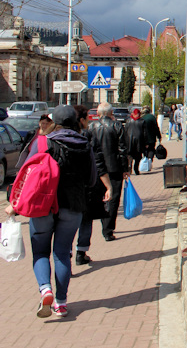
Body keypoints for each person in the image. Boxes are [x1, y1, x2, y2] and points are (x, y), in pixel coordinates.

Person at [4, 105, 95, 318]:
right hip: (73, 206)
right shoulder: (85, 144)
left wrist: (15, 202)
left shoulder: (43, 142)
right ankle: (61, 303)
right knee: (62, 253)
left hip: (42, 205)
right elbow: (91, 179)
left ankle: (45, 289)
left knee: (41, 252)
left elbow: (25, 173)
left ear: (55, 121)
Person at [74, 105, 111, 266]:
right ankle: (81, 252)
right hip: (87, 187)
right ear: (81, 120)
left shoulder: (55, 137)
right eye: (87, 117)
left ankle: (65, 255)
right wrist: (108, 185)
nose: (89, 120)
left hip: (65, 189)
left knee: (66, 223)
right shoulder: (87, 137)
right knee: (85, 220)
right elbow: (98, 161)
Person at [88, 102, 128, 244]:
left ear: (98, 114)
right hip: (114, 168)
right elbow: (122, 149)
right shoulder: (116, 126)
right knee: (113, 199)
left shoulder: (91, 127)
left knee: (100, 197)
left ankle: (104, 225)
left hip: (97, 169)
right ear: (111, 113)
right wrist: (125, 169)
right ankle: (108, 229)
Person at [124, 108, 145, 175]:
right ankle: (136, 169)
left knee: (129, 155)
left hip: (129, 141)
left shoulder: (129, 120)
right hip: (139, 141)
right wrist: (146, 143)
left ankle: (129, 167)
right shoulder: (142, 121)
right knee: (138, 156)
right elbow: (145, 133)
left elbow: (125, 130)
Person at [140, 106, 162, 171]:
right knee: (151, 150)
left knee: (145, 150)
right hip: (152, 137)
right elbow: (156, 128)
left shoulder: (141, 118)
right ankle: (149, 162)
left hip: (143, 138)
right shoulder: (152, 117)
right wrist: (159, 136)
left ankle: (145, 161)